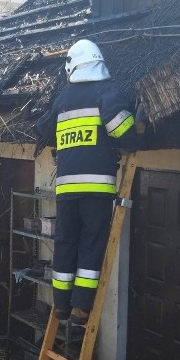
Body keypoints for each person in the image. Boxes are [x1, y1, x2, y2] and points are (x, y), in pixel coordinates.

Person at [34, 39, 139, 326]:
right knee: (92, 242)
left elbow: (43, 127)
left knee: (66, 242)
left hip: (67, 190)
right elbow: (120, 128)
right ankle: (82, 308)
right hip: (97, 189)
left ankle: (61, 306)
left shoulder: (64, 99)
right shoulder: (106, 91)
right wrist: (135, 134)